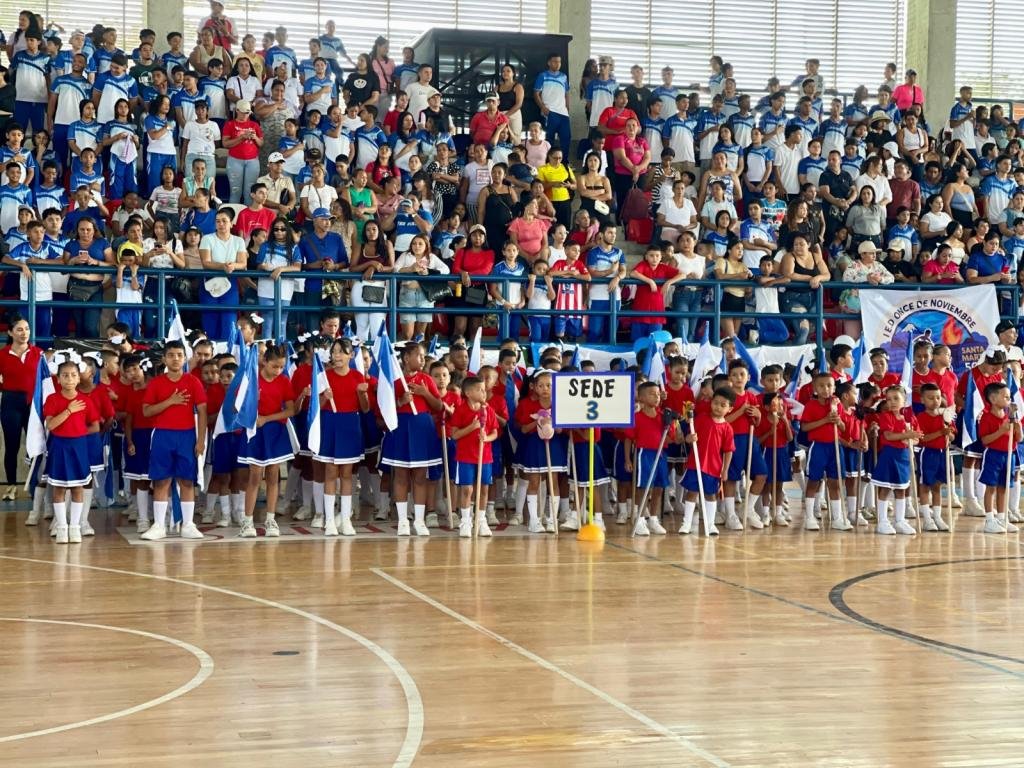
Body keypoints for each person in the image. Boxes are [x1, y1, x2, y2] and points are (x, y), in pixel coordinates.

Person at [139, 341, 207, 541]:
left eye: (179, 355)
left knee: (187, 480)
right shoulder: (156, 383)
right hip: (162, 435)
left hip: (187, 436)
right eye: (171, 355)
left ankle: (188, 524)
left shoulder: (193, 382)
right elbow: (146, 411)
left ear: (185, 358)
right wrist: (170, 401)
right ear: (164, 359)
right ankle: (159, 525)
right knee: (161, 480)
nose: (175, 359)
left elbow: (202, 411)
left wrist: (201, 440)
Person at [381, 342, 443, 535]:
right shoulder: (394, 380)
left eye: (424, 356)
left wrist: (425, 393)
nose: (423, 359)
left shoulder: (426, 379)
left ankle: (419, 520)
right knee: (400, 476)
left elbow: (439, 406)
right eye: (419, 355)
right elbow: (384, 408)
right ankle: (402, 521)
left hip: (422, 428)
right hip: (401, 428)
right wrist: (401, 401)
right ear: (406, 358)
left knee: (420, 476)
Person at [238, 344, 294, 538]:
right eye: (274, 366)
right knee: (254, 476)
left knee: (272, 476)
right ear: (264, 362)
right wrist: (252, 402)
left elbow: (291, 410)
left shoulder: (284, 381)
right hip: (255, 431)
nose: (278, 370)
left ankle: (271, 519)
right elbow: (237, 408)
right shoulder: (251, 379)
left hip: (275, 431)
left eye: (281, 367)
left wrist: (267, 419)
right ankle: (247, 521)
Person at [515, 370, 568, 533]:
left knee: (553, 481)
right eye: (541, 385)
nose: (545, 389)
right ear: (535, 387)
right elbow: (523, 429)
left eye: (549, 385)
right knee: (534, 482)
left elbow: (564, 430)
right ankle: (534, 520)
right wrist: (538, 420)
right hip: (534, 445)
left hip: (554, 445)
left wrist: (554, 424)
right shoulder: (527, 404)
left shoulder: (560, 405)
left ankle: (552, 520)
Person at [450, 375, 499, 537]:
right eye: (479, 390)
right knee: (467, 489)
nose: (484, 393)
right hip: (465, 457)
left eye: (484, 389)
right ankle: (465, 521)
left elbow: (494, 432)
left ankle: (481, 520)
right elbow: (454, 434)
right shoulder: (461, 410)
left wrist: (487, 438)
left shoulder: (488, 410)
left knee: (484, 488)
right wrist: (472, 427)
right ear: (468, 393)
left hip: (485, 457)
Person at [199, 207, 247, 341]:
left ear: (231, 223)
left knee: (229, 320)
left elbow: (243, 263)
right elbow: (206, 262)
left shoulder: (238, 241)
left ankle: (227, 351)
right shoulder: (207, 238)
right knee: (210, 320)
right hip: (210, 282)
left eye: (224, 221)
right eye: (217, 221)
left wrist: (233, 266)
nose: (221, 224)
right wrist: (223, 266)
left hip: (230, 283)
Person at [223, 99, 263, 204]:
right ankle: (233, 214)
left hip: (252, 160)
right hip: (235, 160)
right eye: (244, 112)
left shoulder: (255, 125)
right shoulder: (230, 124)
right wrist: (241, 138)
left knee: (250, 192)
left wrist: (255, 138)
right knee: (235, 191)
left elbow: (261, 143)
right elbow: (225, 144)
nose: (246, 115)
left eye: (248, 113)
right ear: (237, 110)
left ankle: (247, 213)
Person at [533, 53, 570, 152]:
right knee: (549, 140)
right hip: (550, 112)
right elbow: (536, 93)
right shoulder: (543, 76)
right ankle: (549, 160)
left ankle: (565, 160)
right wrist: (542, 107)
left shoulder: (564, 77)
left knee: (566, 138)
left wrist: (567, 108)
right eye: (555, 61)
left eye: (559, 62)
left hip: (563, 113)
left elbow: (566, 94)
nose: (558, 64)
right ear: (549, 63)